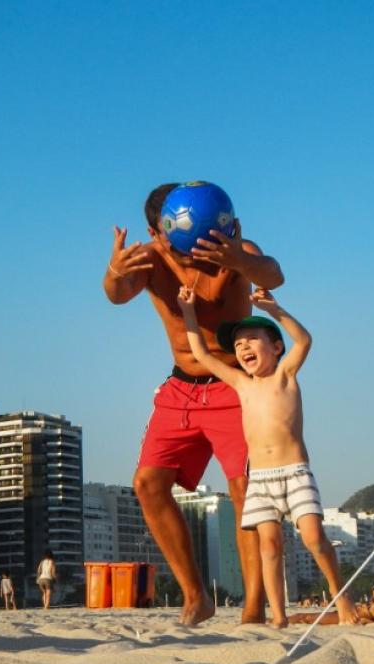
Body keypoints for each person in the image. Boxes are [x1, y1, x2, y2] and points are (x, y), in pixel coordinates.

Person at [103, 184, 284, 626]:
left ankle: (254, 607)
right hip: (182, 388)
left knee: (246, 492)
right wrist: (112, 269)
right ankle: (196, 597)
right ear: (156, 230)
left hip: (234, 385)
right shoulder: (150, 258)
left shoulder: (234, 250)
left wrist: (239, 260)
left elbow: (274, 274)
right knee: (148, 484)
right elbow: (117, 293)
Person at [178, 287, 356, 628]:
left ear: (275, 347)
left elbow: (304, 340)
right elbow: (200, 353)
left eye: (251, 339)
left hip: (295, 473)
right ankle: (278, 616)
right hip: (259, 478)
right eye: (239, 344)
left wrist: (275, 310)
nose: (243, 347)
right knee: (270, 548)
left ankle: (341, 595)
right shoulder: (242, 384)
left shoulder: (285, 375)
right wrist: (188, 313)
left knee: (315, 539)